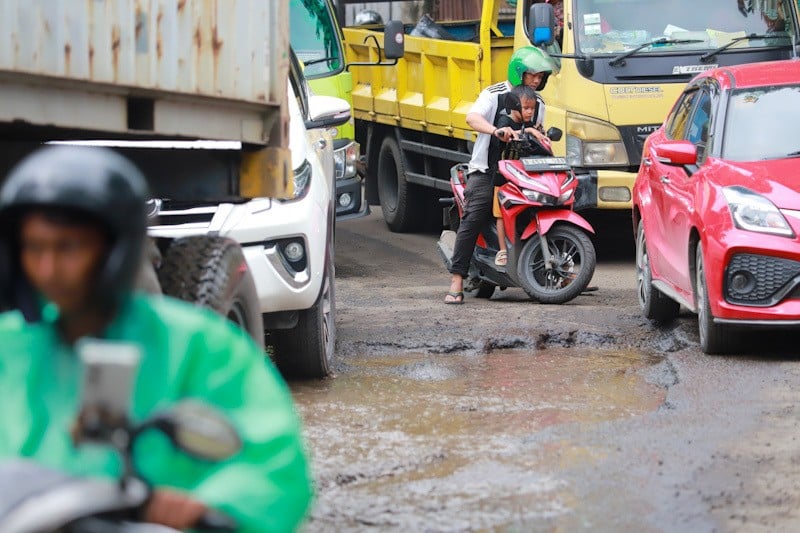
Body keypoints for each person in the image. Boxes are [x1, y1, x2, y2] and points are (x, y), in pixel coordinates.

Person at [0, 145, 313, 532]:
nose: (47, 269)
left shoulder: (203, 348)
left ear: (115, 248)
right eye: (34, 249)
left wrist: (202, 506)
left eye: (68, 248)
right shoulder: (9, 347)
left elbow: (274, 465)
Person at [445, 46, 553, 304]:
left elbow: (536, 132)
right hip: (488, 170)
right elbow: (472, 118)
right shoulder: (494, 94)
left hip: (522, 171)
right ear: (519, 73)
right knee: (475, 215)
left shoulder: (539, 103)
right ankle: (457, 279)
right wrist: (495, 131)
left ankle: (553, 269)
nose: (537, 81)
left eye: (540, 77)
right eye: (532, 75)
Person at [491, 85, 543, 267]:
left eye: (532, 108)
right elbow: (505, 133)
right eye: (526, 108)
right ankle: (503, 250)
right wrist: (527, 131)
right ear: (514, 106)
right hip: (503, 177)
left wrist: (539, 133)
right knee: (501, 214)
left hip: (522, 177)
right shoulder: (504, 121)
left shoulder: (528, 124)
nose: (530, 112)